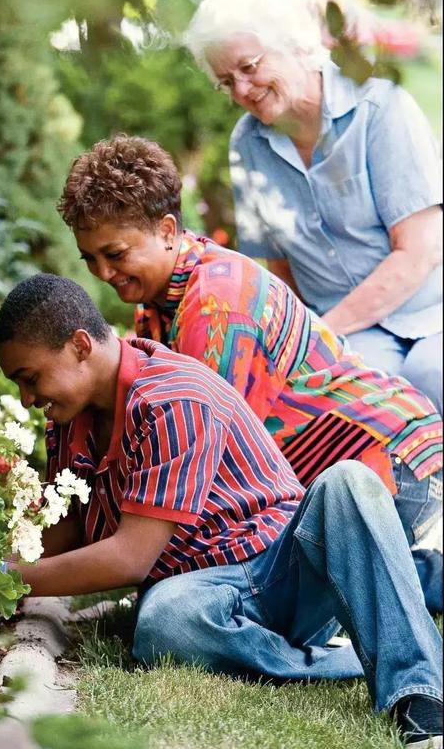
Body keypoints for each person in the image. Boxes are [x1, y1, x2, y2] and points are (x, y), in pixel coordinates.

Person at [0, 273, 443, 749]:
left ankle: (421, 695)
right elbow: (64, 534)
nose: (27, 398)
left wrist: (7, 575)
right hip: (203, 588)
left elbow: (130, 558)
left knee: (348, 481)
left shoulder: (171, 397)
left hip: (280, 568)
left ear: (80, 346)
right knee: (164, 623)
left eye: (30, 378)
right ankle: (338, 659)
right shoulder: (71, 415)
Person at [58, 135, 443, 612]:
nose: (103, 273)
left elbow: (200, 470)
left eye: (114, 254)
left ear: (167, 229)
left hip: (386, 464)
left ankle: (419, 575)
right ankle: (410, 572)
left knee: (314, 585)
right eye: (90, 259)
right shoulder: (159, 303)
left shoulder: (215, 309)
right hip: (333, 470)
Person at [183, 0, 443, 418]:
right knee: (350, 408)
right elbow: (280, 271)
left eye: (248, 67)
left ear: (294, 42)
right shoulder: (247, 144)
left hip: (429, 312)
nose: (241, 91)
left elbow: (420, 250)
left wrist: (319, 334)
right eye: (226, 82)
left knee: (428, 377)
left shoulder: (378, 107)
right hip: (351, 338)